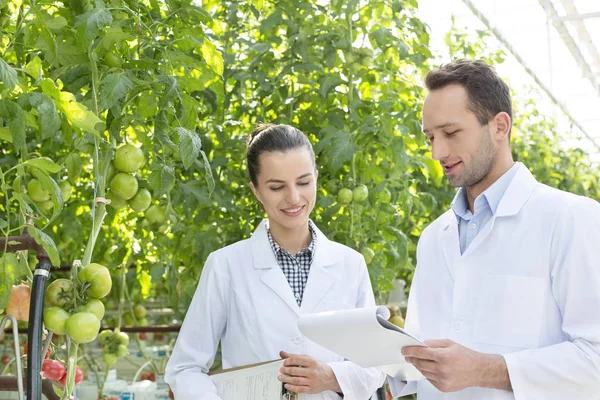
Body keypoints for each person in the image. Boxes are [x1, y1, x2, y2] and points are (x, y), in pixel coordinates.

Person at [389, 60, 600, 400]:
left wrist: (487, 370)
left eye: (451, 133)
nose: (437, 152)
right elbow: (422, 357)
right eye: (430, 137)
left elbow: (595, 359)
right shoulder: (433, 237)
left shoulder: (572, 219)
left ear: (500, 126)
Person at [165, 123, 385, 399]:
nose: (293, 198)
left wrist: (330, 377)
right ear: (256, 190)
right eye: (277, 187)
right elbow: (185, 367)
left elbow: (375, 366)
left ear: (316, 178)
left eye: (304, 183)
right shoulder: (225, 266)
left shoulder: (350, 264)